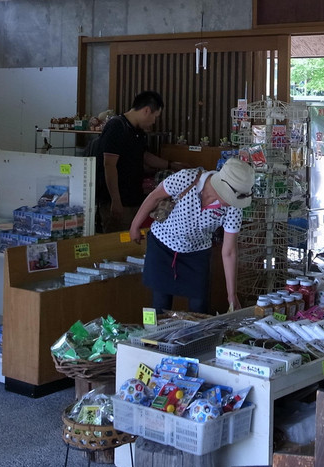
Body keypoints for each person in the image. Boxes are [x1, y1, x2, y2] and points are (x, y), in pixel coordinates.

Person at [129, 157, 254, 314]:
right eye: (231, 197)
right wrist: (135, 226)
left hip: (197, 253)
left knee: (199, 306)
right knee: (160, 304)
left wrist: (232, 294)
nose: (233, 202)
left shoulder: (234, 208)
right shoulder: (186, 178)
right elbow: (155, 196)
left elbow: (229, 252)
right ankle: (153, 338)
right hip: (162, 245)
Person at [95, 91, 173, 232]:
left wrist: (171, 165)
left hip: (134, 198)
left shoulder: (138, 132)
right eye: (155, 117)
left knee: (132, 242)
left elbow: (144, 156)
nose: (154, 122)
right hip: (117, 201)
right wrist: (115, 200)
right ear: (147, 110)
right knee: (117, 244)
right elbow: (109, 165)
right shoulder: (117, 126)